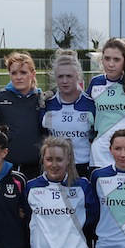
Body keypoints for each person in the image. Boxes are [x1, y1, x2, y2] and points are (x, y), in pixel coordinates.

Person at [24, 137, 98, 248]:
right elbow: (24, 216)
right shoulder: (31, 187)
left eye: (59, 160)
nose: (54, 164)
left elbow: (93, 216)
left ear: (69, 159)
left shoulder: (82, 186)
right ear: (43, 160)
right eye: (49, 159)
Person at [87, 38, 125, 170]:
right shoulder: (96, 83)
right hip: (100, 154)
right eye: (107, 59)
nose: (111, 64)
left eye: (116, 60)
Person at [41, 50, 95, 178]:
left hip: (84, 166)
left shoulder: (91, 104)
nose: (64, 81)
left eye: (69, 76)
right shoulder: (47, 104)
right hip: (56, 168)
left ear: (78, 76)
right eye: (60, 76)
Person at [0, 52, 46, 179]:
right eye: (14, 73)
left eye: (23, 72)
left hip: (36, 168)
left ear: (33, 74)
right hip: (8, 168)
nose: (18, 77)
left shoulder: (42, 100)